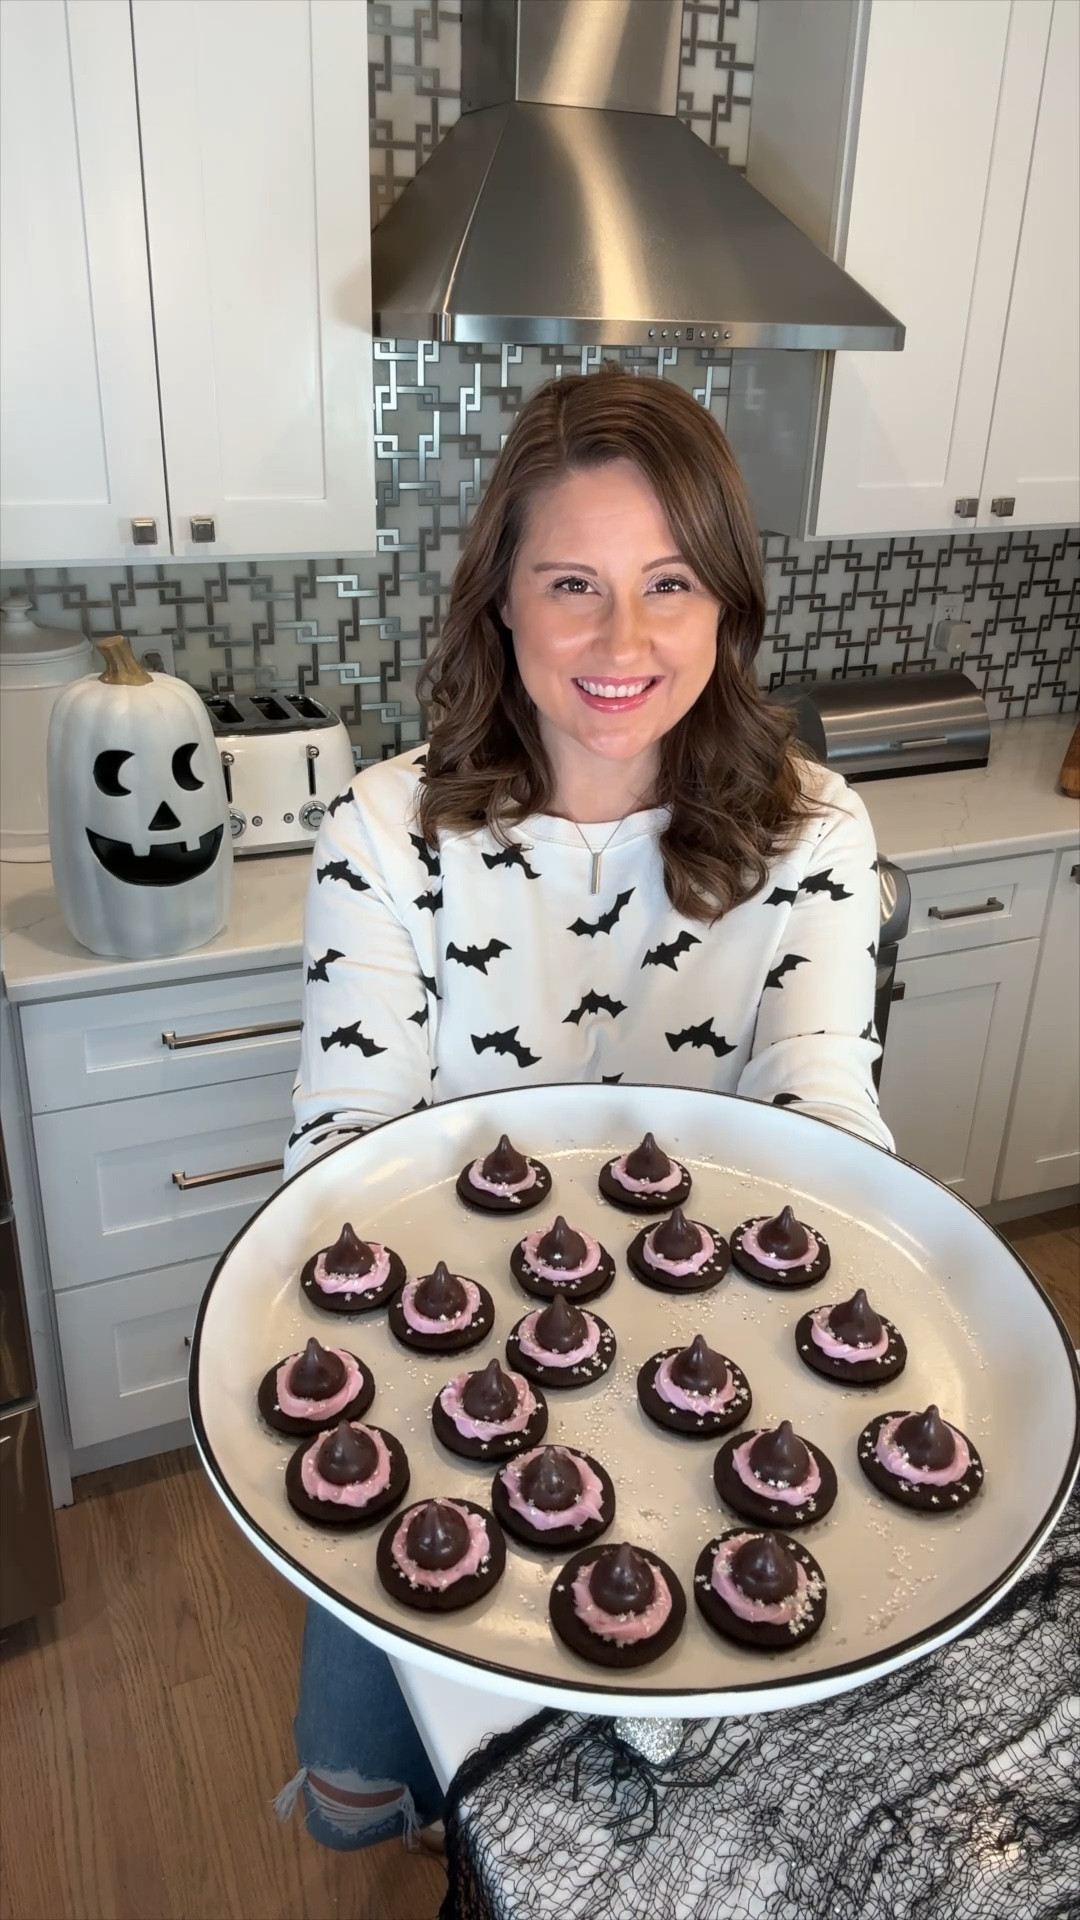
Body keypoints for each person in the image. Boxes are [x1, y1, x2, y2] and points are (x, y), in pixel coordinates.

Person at [275, 364, 893, 1851]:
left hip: (704, 1382)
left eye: (669, 582)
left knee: (647, 1806)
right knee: (369, 1797)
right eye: (573, 583)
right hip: (436, 1394)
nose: (625, 641)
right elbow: (340, 1154)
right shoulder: (389, 829)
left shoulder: (814, 835)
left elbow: (826, 1119)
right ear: (502, 601)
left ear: (727, 605)